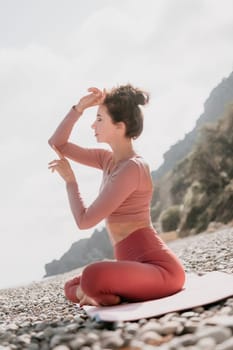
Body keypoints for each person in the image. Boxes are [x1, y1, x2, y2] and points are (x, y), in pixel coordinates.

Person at [48, 84, 185, 307]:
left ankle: (99, 292)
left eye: (100, 119)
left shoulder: (133, 168)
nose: (93, 124)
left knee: (92, 276)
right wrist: (79, 108)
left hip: (161, 272)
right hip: (133, 268)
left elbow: (84, 221)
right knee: (70, 286)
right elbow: (57, 144)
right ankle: (101, 293)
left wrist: (71, 182)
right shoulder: (107, 160)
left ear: (120, 126)